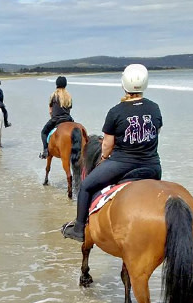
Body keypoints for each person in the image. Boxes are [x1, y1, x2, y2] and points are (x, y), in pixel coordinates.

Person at [61, 64, 163, 242]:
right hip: (153, 167)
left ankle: (78, 230)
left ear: (124, 84)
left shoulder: (116, 111)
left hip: (122, 165)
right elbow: (156, 133)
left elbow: (107, 145)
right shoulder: (154, 108)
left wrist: (104, 159)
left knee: (86, 186)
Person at [39, 76, 73, 158]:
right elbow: (69, 110)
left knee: (43, 132)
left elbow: (50, 111)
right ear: (65, 84)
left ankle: (45, 151)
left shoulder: (53, 95)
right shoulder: (68, 96)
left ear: (56, 84)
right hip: (68, 119)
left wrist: (53, 117)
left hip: (56, 119)